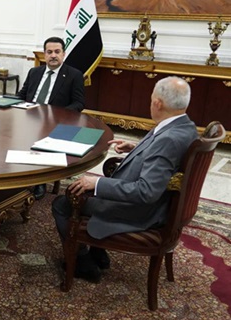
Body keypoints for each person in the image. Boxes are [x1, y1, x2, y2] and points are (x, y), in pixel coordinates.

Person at [51, 76, 198, 283]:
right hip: (156, 202)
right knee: (86, 188)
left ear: (157, 103)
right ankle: (98, 253)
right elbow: (163, 156)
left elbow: (146, 192)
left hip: (138, 210)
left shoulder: (168, 139)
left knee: (63, 202)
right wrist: (136, 149)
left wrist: (97, 183)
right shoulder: (185, 127)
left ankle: (83, 263)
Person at [17, 36, 85, 199]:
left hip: (54, 122)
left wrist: (57, 114)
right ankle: (16, 175)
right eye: (49, 52)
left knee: (41, 137)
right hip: (29, 118)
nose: (53, 55)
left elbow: (79, 103)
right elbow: (21, 95)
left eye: (57, 51)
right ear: (44, 54)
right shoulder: (34, 72)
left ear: (63, 54)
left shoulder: (74, 75)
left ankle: (40, 181)